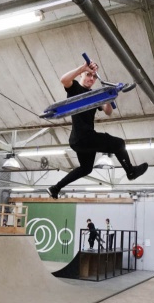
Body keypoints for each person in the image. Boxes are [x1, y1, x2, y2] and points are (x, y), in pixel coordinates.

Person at [47, 60, 148, 199]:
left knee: (86, 168)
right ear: (82, 75)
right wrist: (81, 68)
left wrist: (107, 95)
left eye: (94, 77)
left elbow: (108, 111)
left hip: (80, 141)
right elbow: (64, 79)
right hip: (84, 137)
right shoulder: (75, 88)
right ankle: (130, 171)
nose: (91, 79)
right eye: (88, 75)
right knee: (119, 144)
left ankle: (55, 188)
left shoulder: (94, 96)